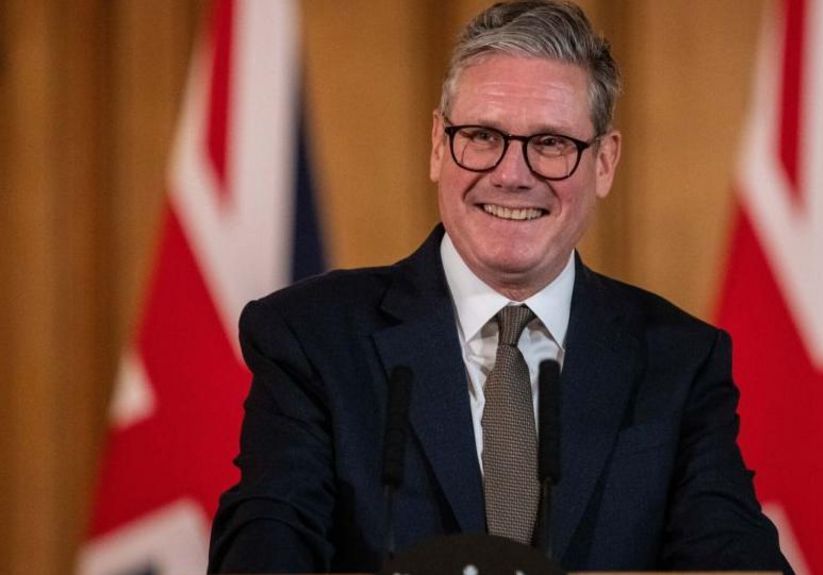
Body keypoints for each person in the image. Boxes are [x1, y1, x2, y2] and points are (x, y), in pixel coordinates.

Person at [209, 1, 792, 573]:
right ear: (440, 144)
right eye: (483, 136)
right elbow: (266, 542)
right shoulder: (313, 338)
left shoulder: (679, 359)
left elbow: (733, 553)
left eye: (551, 144)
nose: (512, 175)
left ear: (605, 162)